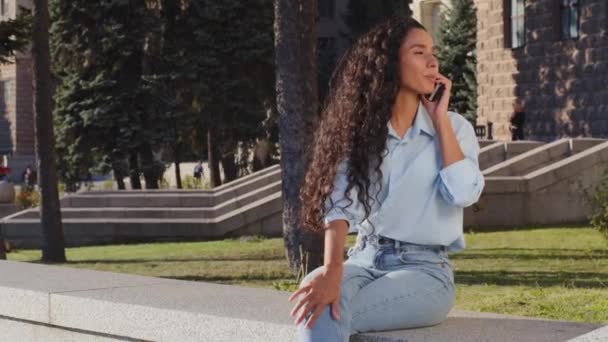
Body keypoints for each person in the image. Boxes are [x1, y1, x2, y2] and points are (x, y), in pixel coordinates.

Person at [290, 17, 484, 341]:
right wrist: (332, 269)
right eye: (419, 52)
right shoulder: (363, 131)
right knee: (317, 296)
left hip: (425, 272)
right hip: (363, 260)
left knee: (329, 312)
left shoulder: (454, 128)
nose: (432, 60)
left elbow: (464, 193)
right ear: (389, 63)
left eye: (432, 52)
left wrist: (440, 122)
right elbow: (340, 202)